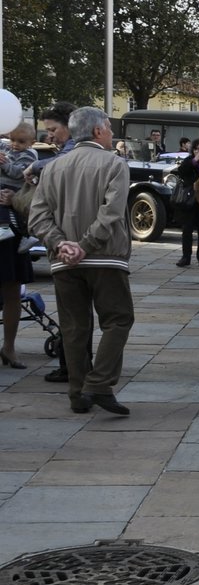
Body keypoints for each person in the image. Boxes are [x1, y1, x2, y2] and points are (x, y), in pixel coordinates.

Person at [27, 107, 134, 415]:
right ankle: (98, 384)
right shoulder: (114, 163)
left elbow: (38, 217)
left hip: (65, 261)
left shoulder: (53, 167)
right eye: (110, 129)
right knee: (118, 320)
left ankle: (78, 394)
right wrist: (84, 245)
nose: (112, 134)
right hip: (105, 258)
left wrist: (61, 244)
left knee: (74, 328)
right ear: (98, 131)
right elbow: (111, 212)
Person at [28, 103, 81, 384]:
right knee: (76, 313)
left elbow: (62, 164)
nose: (50, 136)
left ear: (69, 126)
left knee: (72, 312)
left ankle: (72, 367)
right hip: (73, 241)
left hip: (67, 241)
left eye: (53, 130)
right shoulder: (65, 150)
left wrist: (34, 165)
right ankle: (76, 364)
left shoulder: (71, 152)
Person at [0, 114, 39, 368]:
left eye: (21, 141)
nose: (14, 145)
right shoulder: (5, 149)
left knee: (12, 290)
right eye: (12, 140)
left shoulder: (30, 158)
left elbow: (23, 179)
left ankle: (10, 347)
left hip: (11, 226)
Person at [173, 141, 199, 268]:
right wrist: (195, 160)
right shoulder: (189, 161)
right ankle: (186, 257)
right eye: (196, 149)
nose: (198, 151)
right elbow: (181, 171)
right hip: (189, 199)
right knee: (187, 228)